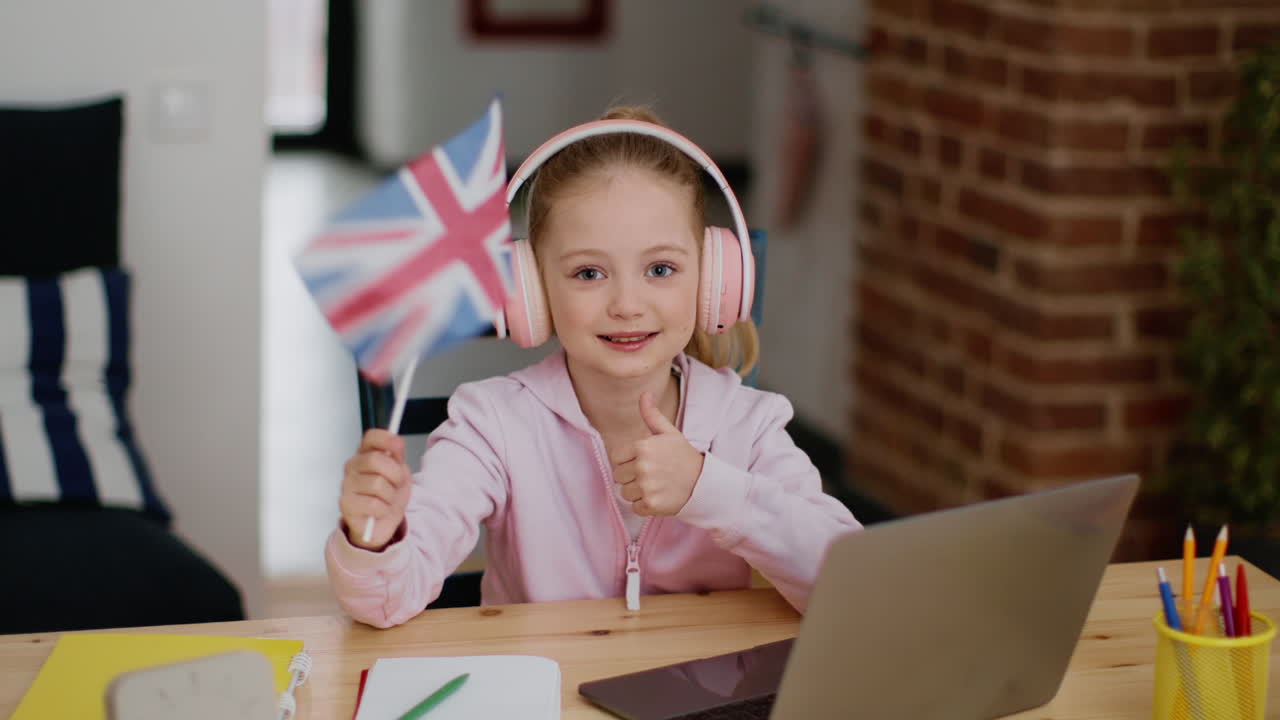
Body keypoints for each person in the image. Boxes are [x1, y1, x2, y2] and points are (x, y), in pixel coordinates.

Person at [326, 106, 861, 628]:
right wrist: (374, 538)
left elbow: (849, 583)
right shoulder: (491, 425)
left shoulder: (747, 425)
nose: (626, 304)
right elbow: (385, 602)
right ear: (531, 290)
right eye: (588, 273)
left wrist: (708, 489)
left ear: (713, 279)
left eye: (660, 269)